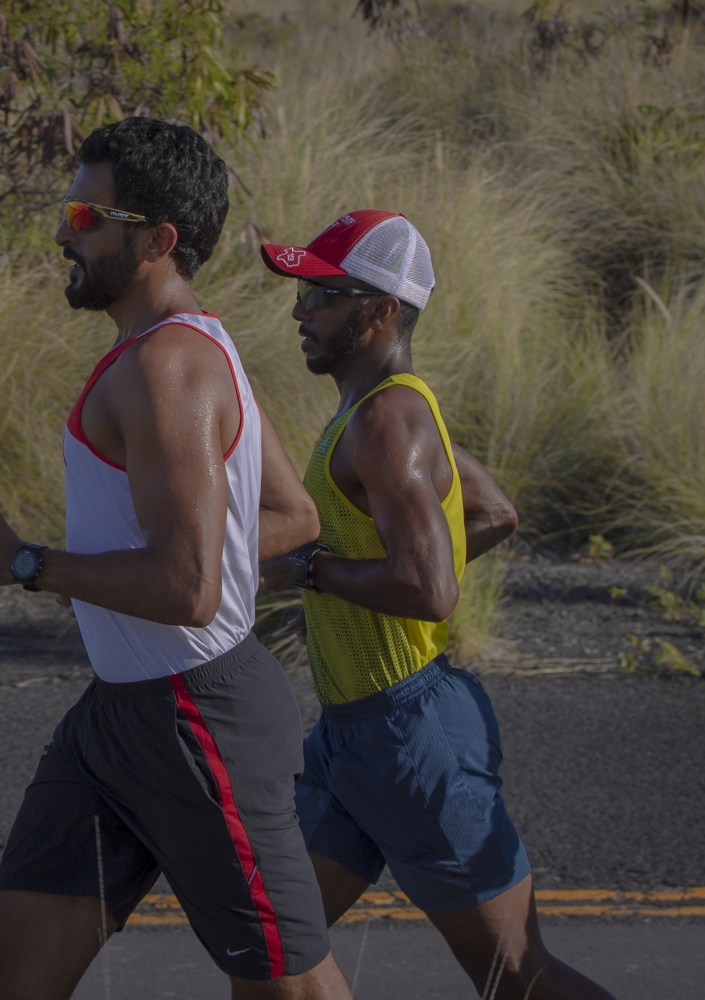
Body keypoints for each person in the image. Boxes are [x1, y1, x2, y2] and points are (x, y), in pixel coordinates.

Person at [0, 119, 352, 1000]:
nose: (64, 230)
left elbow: (187, 587)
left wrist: (24, 565)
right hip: (120, 719)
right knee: (13, 976)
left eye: (87, 213)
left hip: (194, 716)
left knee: (288, 989)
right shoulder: (181, 349)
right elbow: (288, 515)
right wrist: (121, 567)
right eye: (70, 207)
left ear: (157, 240)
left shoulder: (170, 365)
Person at [259, 211, 618, 999]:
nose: (298, 312)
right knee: (271, 948)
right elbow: (492, 513)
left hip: (409, 739)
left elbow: (429, 590)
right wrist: (340, 594)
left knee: (515, 975)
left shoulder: (390, 420)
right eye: (300, 292)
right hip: (352, 739)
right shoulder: (387, 409)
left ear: (380, 310)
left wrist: (319, 575)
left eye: (321, 294)